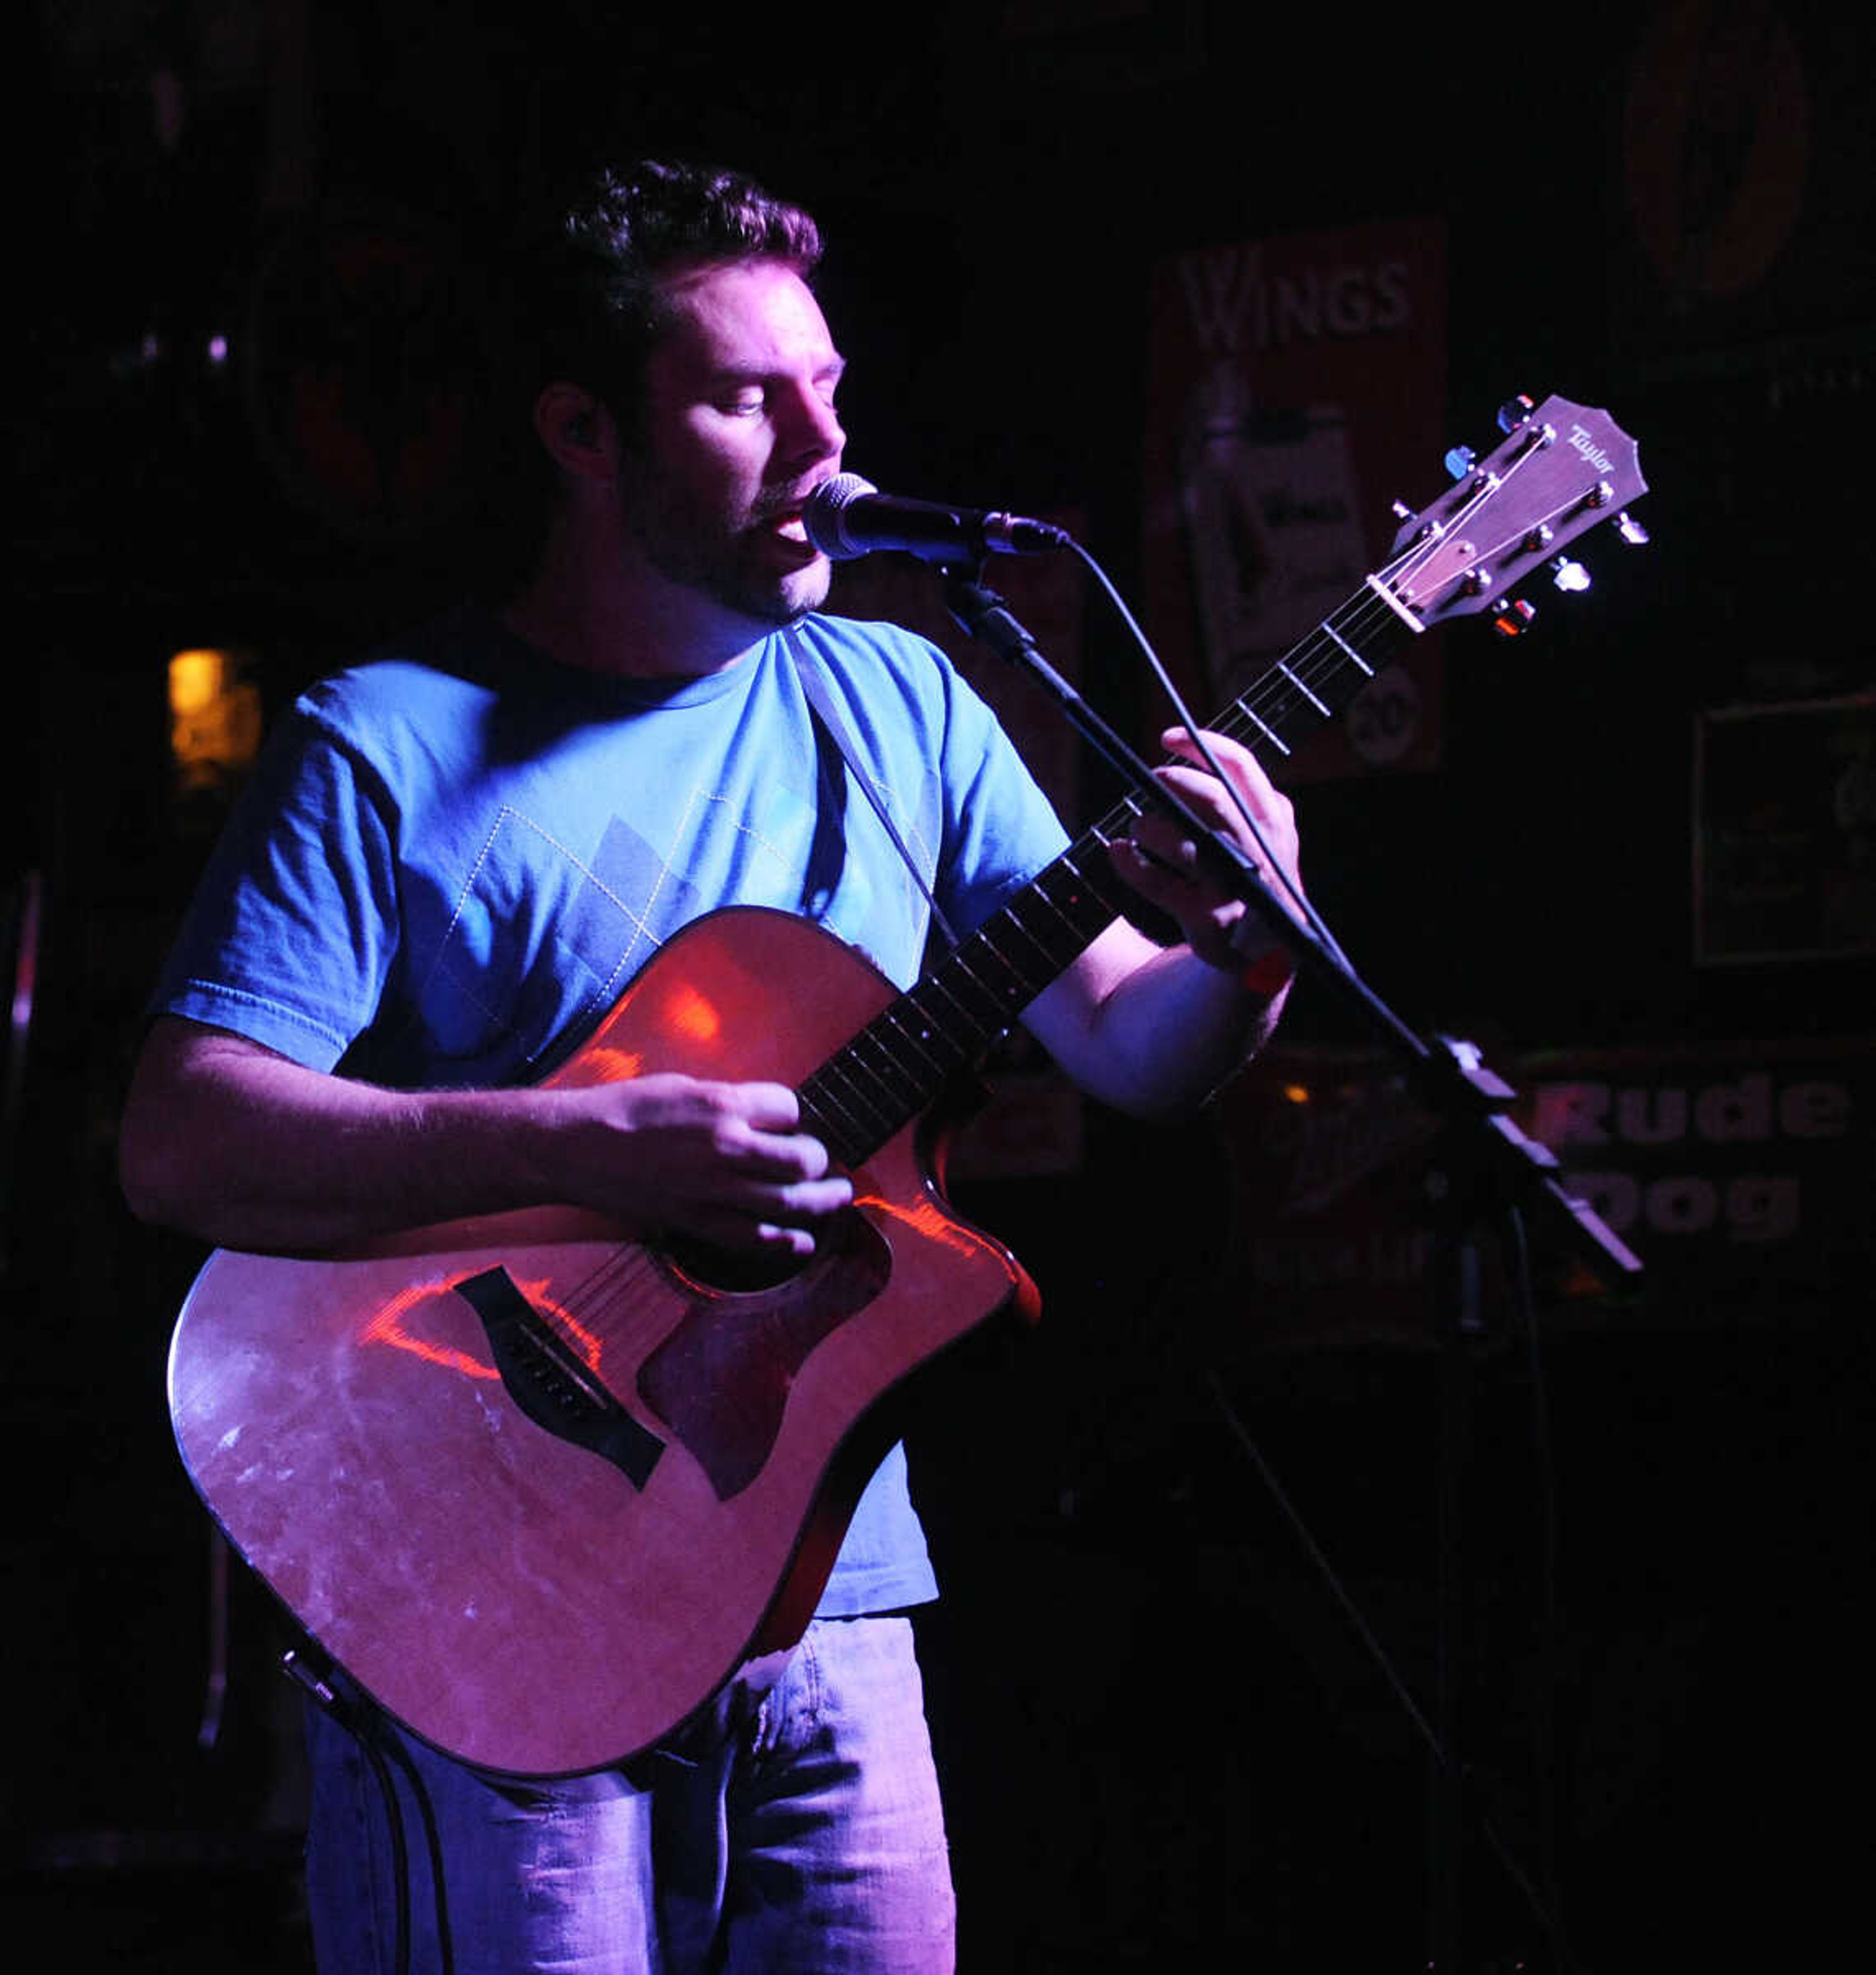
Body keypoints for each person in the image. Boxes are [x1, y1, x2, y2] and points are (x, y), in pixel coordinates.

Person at [120, 159, 1302, 1974]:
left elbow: (1138, 1047)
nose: (822, 441)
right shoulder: (383, 744)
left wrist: (1250, 942)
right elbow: (184, 1140)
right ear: (585, 432)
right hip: (484, 1600)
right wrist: (596, 1151)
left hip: (832, 1598)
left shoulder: (898, 701)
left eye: (830, 385)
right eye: (749, 396)